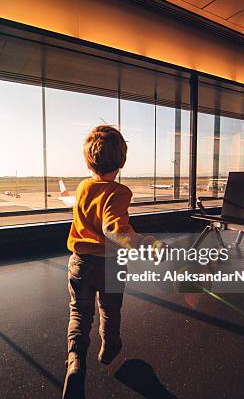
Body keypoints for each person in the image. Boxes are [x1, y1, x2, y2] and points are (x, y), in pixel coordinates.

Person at [62, 125, 164, 399]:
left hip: (81, 262)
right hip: (110, 264)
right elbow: (114, 230)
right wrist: (148, 245)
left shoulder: (83, 187)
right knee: (110, 310)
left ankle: (75, 361)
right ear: (121, 161)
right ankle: (110, 351)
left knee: (80, 314)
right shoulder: (119, 192)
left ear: (88, 161)